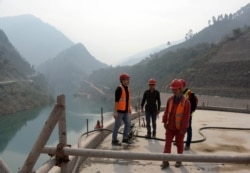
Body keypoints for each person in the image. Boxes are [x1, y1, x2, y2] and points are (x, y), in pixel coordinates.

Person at [161, 79, 190, 168]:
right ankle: (165, 161)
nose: (174, 91)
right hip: (170, 127)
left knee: (179, 144)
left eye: (176, 89)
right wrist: (164, 120)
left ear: (180, 89)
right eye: (173, 89)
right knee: (167, 144)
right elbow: (166, 111)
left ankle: (179, 160)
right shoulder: (170, 100)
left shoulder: (186, 102)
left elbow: (186, 117)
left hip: (179, 129)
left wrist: (183, 129)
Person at [112, 73, 132, 145]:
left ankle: (125, 138)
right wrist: (115, 112)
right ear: (122, 80)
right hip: (120, 111)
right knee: (117, 125)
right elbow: (116, 101)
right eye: (127, 79)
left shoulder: (127, 89)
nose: (128, 80)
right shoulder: (119, 89)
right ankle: (114, 140)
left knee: (128, 123)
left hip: (126, 111)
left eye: (128, 79)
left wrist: (129, 109)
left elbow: (127, 101)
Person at [179, 79, 198, 150]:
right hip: (181, 115)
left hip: (188, 116)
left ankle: (187, 144)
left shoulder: (190, 94)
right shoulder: (181, 93)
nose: (179, 89)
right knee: (180, 128)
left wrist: (188, 113)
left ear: (183, 86)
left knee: (188, 129)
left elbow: (193, 106)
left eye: (180, 87)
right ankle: (179, 141)